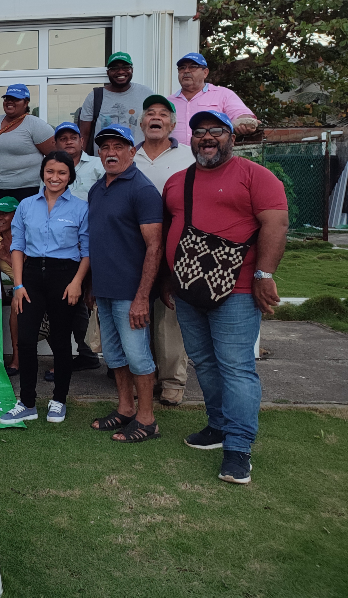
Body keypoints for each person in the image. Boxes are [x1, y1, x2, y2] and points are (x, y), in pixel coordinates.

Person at [163, 111, 288, 484]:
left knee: (235, 367)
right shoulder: (177, 182)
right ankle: (218, 427)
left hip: (238, 288)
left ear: (231, 136)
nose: (207, 137)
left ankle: (238, 449)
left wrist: (264, 275)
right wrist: (168, 281)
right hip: (187, 288)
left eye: (215, 130)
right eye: (199, 131)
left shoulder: (256, 176)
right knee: (203, 360)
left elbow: (276, 224)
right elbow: (172, 230)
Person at [0, 151, 90, 425]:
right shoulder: (27, 205)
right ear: (43, 173)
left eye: (62, 173)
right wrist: (18, 285)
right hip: (30, 276)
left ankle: (58, 399)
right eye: (50, 171)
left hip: (65, 277)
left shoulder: (80, 208)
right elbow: (17, 247)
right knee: (26, 339)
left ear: (70, 177)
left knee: (61, 341)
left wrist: (77, 282)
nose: (55, 177)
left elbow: (87, 251)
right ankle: (27, 402)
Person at [87, 125, 163, 443]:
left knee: (138, 357)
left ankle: (147, 420)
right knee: (115, 357)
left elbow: (155, 246)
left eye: (118, 146)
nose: (111, 152)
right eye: (105, 147)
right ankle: (125, 409)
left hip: (130, 293)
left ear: (133, 152)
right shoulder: (96, 189)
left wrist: (142, 296)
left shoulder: (142, 190)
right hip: (104, 289)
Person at [133, 95, 195, 406]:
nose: (156, 118)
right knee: (138, 311)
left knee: (169, 314)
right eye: (150, 113)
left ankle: (173, 381)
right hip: (136, 246)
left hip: (175, 243)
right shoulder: (130, 156)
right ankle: (146, 374)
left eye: (163, 114)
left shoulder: (187, 156)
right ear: (141, 123)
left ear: (172, 124)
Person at [49, 122, 104, 373]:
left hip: (99, 241)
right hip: (67, 248)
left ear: (82, 141)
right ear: (56, 143)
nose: (68, 141)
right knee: (75, 300)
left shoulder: (97, 165)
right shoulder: (51, 172)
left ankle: (113, 360)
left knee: (99, 299)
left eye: (74, 137)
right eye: (63, 138)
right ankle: (86, 353)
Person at [0, 84, 55, 228]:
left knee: (27, 230)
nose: (9, 102)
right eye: (7, 98)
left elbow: (54, 157)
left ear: (26, 103)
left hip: (28, 190)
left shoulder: (36, 125)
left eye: (15, 99)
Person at [168, 53, 259, 144]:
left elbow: (240, 113)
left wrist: (246, 122)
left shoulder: (223, 94)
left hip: (212, 156)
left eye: (193, 67)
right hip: (175, 156)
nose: (186, 71)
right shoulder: (168, 102)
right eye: (182, 68)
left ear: (205, 73)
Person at [78, 52, 154, 155]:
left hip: (139, 162)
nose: (121, 71)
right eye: (114, 68)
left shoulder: (146, 94)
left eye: (126, 67)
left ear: (132, 70)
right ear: (108, 72)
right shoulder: (95, 97)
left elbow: (155, 127)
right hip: (103, 163)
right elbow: (84, 135)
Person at [0, 197, 20, 376]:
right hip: (17, 287)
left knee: (18, 300)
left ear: (16, 215)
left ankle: (17, 358)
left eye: (5, 214)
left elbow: (29, 271)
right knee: (16, 300)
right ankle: (15, 358)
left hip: (34, 282)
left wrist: (6, 256)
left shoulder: (26, 234)